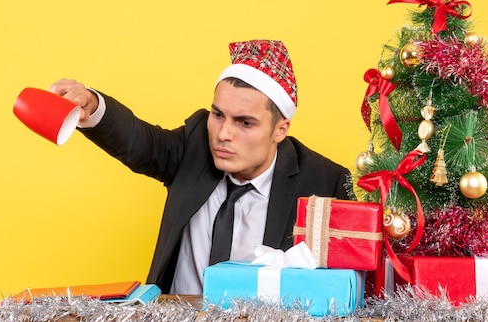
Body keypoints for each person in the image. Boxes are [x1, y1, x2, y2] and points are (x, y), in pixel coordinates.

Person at [50, 39, 350, 294]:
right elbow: (141, 143)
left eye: (245, 122)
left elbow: (340, 286)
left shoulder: (324, 183)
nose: (223, 134)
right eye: (218, 115)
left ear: (280, 130)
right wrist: (92, 105)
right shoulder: (195, 146)